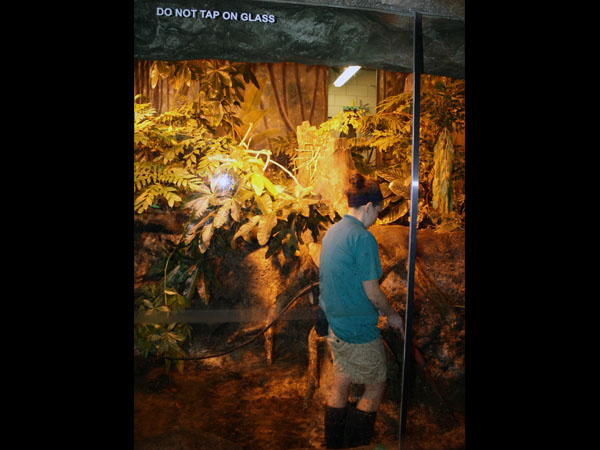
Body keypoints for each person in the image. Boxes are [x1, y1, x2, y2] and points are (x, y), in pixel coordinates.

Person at [319, 172, 405, 449]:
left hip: (335, 323)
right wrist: (391, 315)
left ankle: (334, 443)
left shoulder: (332, 232)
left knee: (342, 380)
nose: (375, 220)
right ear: (369, 207)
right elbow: (372, 291)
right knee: (377, 383)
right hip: (357, 328)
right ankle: (357, 444)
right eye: (377, 213)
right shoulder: (362, 238)